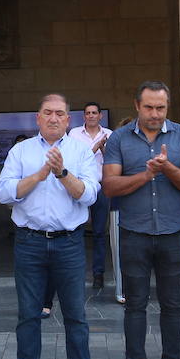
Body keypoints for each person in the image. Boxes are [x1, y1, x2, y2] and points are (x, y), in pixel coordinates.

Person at [0, 93, 106, 359]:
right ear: (38, 118)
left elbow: (89, 196)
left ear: (68, 119)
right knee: (28, 315)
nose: (54, 118)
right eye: (48, 113)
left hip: (69, 243)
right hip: (29, 242)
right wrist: (39, 175)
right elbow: (5, 193)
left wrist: (61, 173)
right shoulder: (21, 151)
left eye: (60, 113)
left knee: (75, 316)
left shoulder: (81, 152)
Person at [102, 80, 180, 359]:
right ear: (137, 106)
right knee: (135, 306)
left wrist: (166, 167)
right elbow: (110, 187)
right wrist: (146, 175)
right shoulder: (118, 139)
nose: (155, 114)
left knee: (173, 306)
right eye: (149, 107)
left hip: (173, 232)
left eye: (160, 108)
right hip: (134, 232)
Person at [68, 102, 112, 289]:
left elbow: (114, 162)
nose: (91, 116)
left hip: (101, 187)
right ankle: (73, 273)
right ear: (83, 116)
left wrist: (104, 150)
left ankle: (98, 274)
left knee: (99, 233)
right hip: (80, 186)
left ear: (100, 116)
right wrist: (95, 148)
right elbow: (74, 160)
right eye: (88, 113)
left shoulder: (110, 134)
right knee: (74, 229)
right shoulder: (74, 134)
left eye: (95, 113)